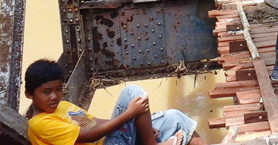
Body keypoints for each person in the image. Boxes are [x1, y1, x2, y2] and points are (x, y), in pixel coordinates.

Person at [24, 59, 216, 145]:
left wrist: (140, 126)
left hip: (111, 141)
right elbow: (89, 136)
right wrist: (129, 115)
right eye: (46, 92)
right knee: (133, 93)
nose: (54, 97)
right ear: (29, 95)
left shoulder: (63, 107)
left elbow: (93, 124)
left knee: (173, 117)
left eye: (58, 90)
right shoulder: (39, 124)